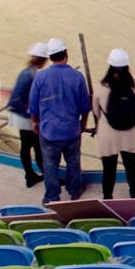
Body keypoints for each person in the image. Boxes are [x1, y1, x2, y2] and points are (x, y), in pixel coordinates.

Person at [27, 38, 93, 205]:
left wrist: (35, 122)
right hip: (71, 130)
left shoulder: (41, 77)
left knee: (50, 165)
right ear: (66, 54)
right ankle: (74, 190)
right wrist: (83, 122)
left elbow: (33, 105)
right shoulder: (77, 77)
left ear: (50, 57)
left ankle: (51, 196)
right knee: (73, 162)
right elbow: (85, 105)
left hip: (48, 131)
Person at [95, 48, 135, 199]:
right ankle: (133, 191)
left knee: (109, 168)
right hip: (129, 131)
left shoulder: (102, 87)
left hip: (108, 132)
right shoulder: (134, 85)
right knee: (130, 164)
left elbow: (96, 110)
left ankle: (108, 195)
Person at [8, 43, 48, 188]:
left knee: (26, 147)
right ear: (44, 60)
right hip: (27, 117)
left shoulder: (26, 72)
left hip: (18, 115)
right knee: (38, 147)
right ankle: (48, 175)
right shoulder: (34, 74)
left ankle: (29, 175)